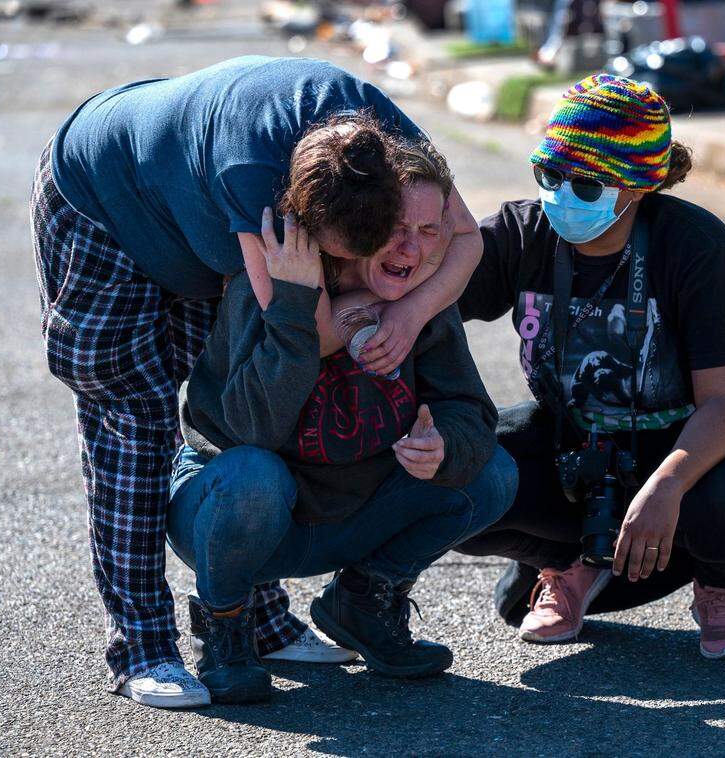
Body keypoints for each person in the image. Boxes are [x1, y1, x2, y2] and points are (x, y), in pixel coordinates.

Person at [29, 55, 482, 707]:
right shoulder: (256, 185)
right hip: (104, 203)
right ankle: (143, 646)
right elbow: (308, 331)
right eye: (339, 258)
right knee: (137, 421)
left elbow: (466, 239)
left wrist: (408, 316)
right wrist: (363, 309)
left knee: (252, 401)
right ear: (300, 215)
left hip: (189, 210)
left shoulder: (385, 138)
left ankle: (265, 622)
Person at [167, 136, 516, 703]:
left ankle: (363, 603)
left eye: (431, 231)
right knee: (254, 476)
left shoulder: (423, 300)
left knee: (491, 473)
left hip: (350, 514)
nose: (412, 246)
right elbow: (249, 430)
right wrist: (295, 312)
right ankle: (226, 626)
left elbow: (471, 412)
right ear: (357, 223)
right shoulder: (269, 287)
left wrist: (443, 446)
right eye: (396, 227)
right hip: (238, 516)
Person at [455, 74, 725, 659]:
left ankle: (720, 581)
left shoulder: (699, 251)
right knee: (457, 473)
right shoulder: (523, 234)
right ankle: (570, 562)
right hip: (582, 443)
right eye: (548, 176)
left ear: (635, 189)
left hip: (698, 444)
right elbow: (426, 303)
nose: (559, 195)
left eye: (585, 185)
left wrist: (666, 488)